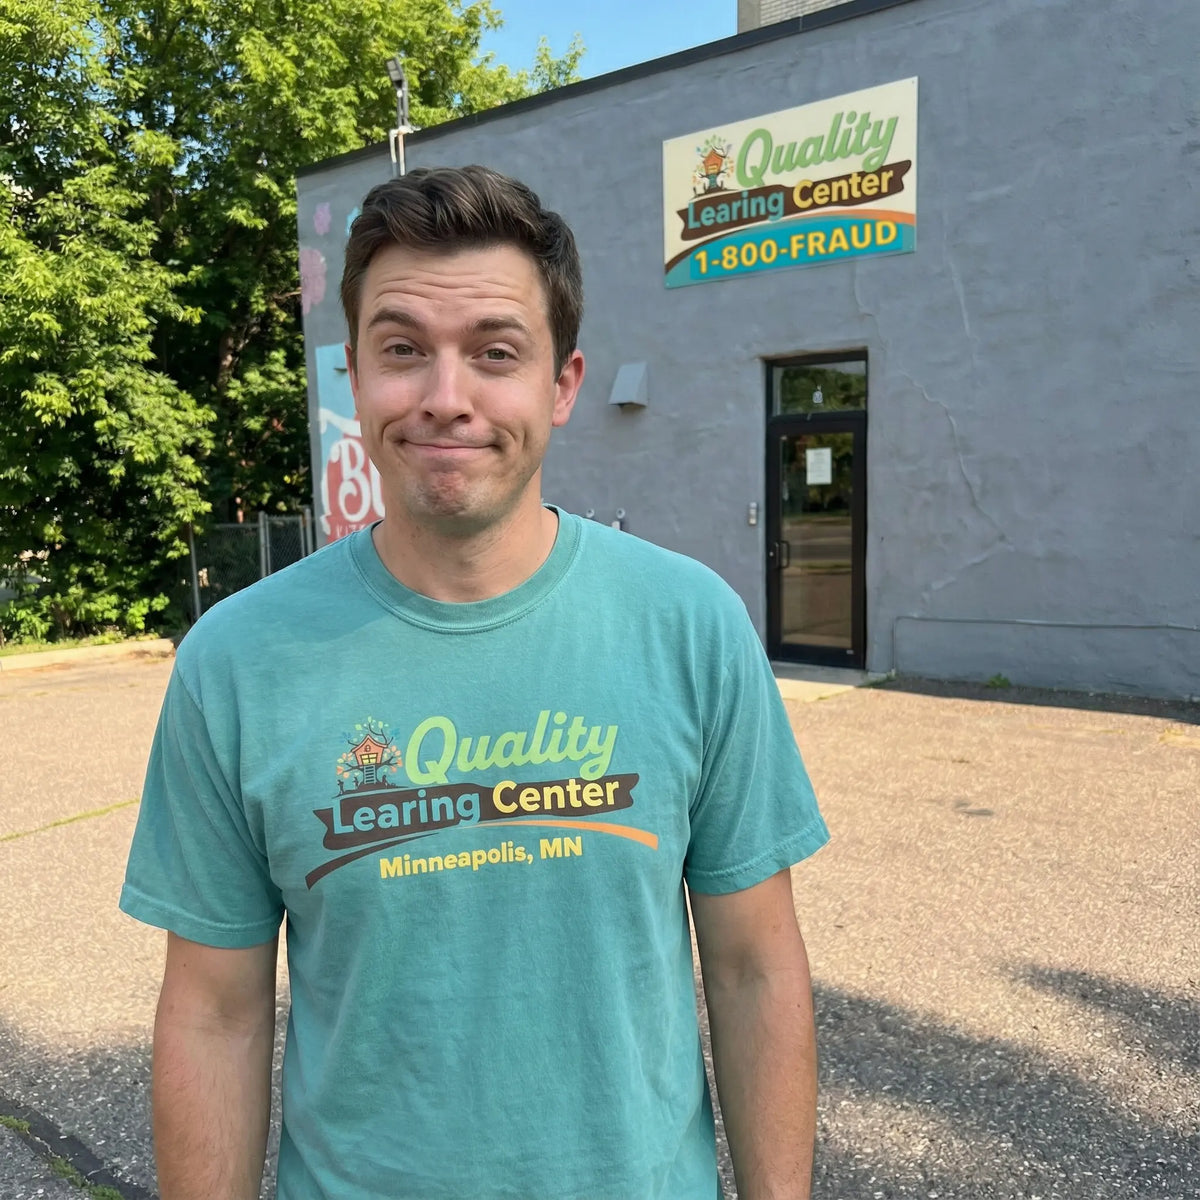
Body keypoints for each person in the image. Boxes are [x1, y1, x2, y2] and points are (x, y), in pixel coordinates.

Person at [120, 164, 830, 1200]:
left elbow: (755, 969)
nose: (446, 398)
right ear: (353, 377)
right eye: (403, 349)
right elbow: (214, 1013)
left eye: (495, 353)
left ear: (564, 384)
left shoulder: (690, 627)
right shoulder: (236, 661)